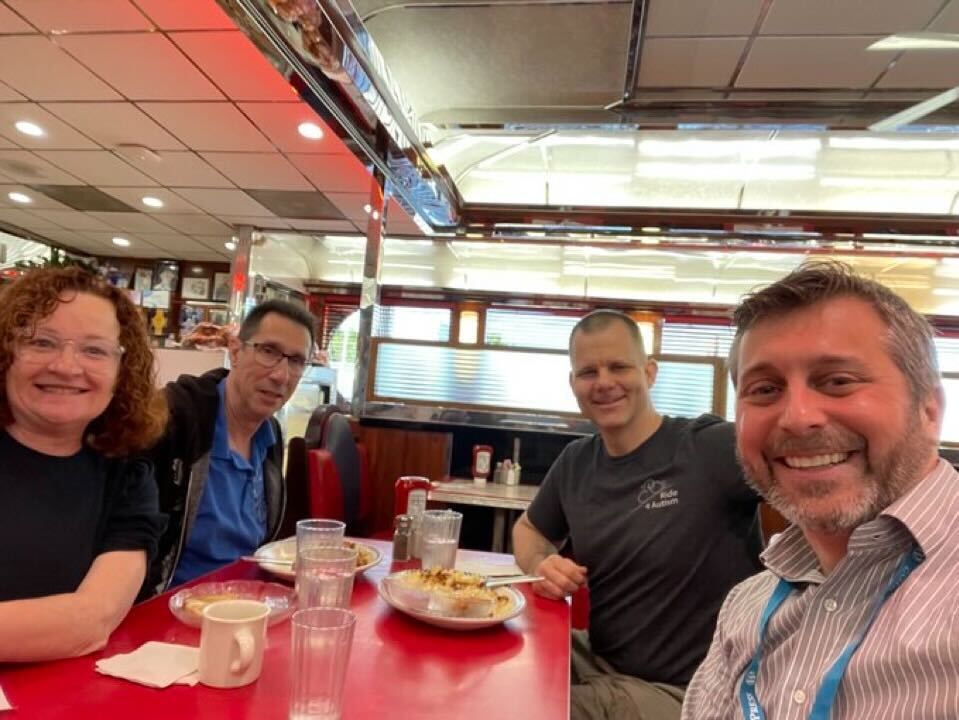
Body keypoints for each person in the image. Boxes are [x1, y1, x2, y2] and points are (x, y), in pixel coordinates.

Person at [682, 261, 959, 720]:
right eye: (765, 389)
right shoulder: (746, 609)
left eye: (838, 381)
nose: (797, 417)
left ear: (929, 409)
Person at [512, 309, 763, 720]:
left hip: (694, 694)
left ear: (649, 373)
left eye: (618, 367)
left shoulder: (709, 448)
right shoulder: (576, 461)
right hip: (603, 660)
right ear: (573, 383)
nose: (604, 382)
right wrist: (543, 563)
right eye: (588, 371)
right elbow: (528, 528)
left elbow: (801, 477)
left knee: (528, 710)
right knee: (497, 660)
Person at [0, 267, 167, 662]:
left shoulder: (128, 477)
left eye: (94, 350)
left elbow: (90, 622)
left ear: (121, 372)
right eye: (42, 342)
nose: (67, 366)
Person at [145, 299, 316, 594]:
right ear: (235, 351)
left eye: (296, 361)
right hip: (171, 612)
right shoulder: (173, 419)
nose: (281, 375)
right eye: (269, 352)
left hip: (246, 605)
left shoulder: (271, 435)